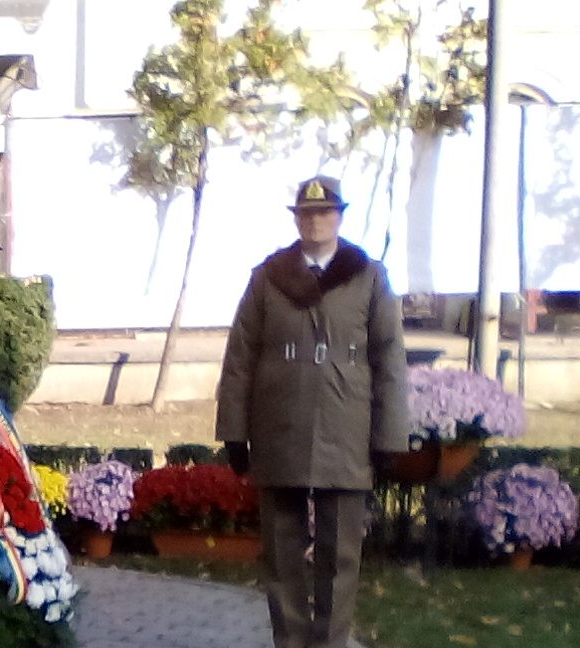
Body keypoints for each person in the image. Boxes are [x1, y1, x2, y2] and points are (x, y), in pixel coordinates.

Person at [216, 175, 408, 648]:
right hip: (279, 423)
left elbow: (389, 358)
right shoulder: (268, 276)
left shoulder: (367, 276)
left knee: (339, 553)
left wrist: (389, 438)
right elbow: (241, 355)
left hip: (347, 424)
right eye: (306, 213)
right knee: (282, 550)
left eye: (325, 213)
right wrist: (234, 432)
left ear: (340, 217)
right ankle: (290, 640)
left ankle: (331, 642)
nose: (315, 221)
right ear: (296, 219)